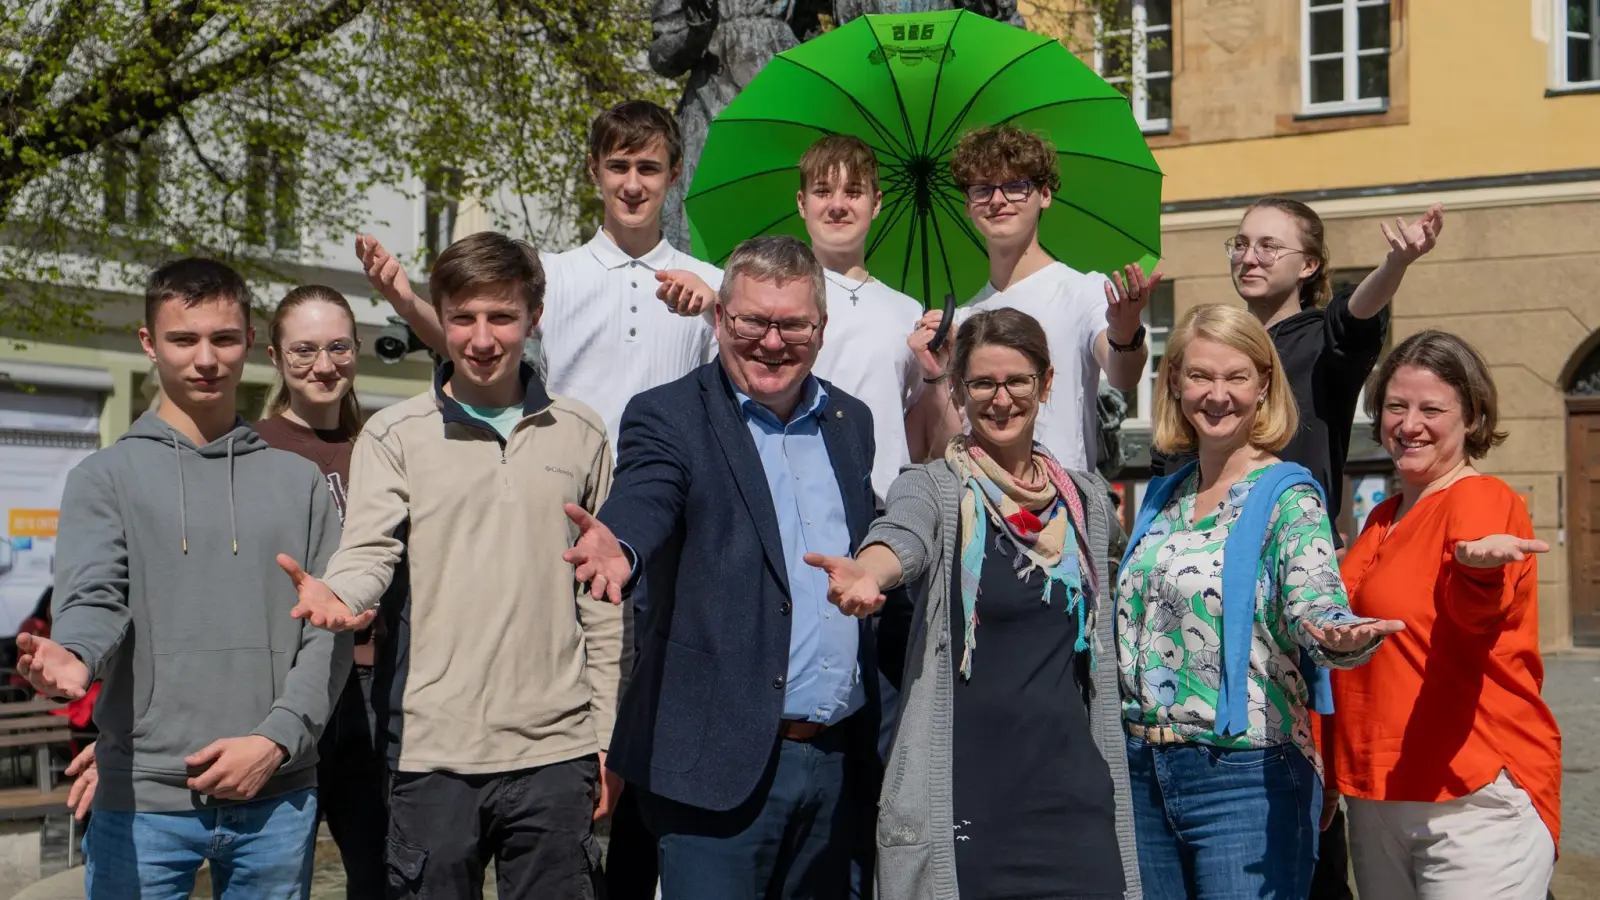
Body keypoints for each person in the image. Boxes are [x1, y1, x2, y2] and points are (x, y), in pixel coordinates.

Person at [276, 232, 624, 899]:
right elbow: (369, 549)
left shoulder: (583, 431)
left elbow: (602, 601)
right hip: (433, 753)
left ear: (533, 317)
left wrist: (606, 734)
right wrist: (342, 597)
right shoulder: (395, 432)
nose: (482, 337)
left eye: (501, 316)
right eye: (463, 317)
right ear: (440, 316)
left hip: (557, 751)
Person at [17, 258, 349, 898]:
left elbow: (328, 634)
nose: (206, 359)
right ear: (149, 343)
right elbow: (93, 600)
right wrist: (76, 654)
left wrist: (276, 742)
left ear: (251, 343)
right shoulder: (103, 477)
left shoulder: (298, 482)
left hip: (277, 798)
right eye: (183, 339)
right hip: (141, 801)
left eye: (224, 339)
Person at [564, 236, 882, 900]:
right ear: (719, 320)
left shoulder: (851, 422)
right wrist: (620, 545)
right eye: (751, 322)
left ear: (820, 329)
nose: (771, 341)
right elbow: (647, 494)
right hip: (715, 769)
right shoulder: (669, 415)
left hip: (834, 767)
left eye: (791, 323)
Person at [1151, 197, 1444, 898]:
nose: (1249, 256)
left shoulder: (1320, 342)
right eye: (1241, 243)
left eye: (1269, 246)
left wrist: (1397, 261)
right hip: (1205, 589)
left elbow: (1357, 316)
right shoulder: (1222, 351)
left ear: (1309, 264)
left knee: (1307, 792)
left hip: (1291, 586)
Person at [804, 308, 1140, 899]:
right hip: (966, 798)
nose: (1001, 399)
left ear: (1047, 383)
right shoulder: (933, 486)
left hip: (1075, 799)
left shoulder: (1086, 502)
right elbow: (903, 536)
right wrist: (870, 570)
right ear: (957, 390)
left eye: (1017, 381)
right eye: (982, 383)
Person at [1117, 304, 1403, 899]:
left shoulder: (1289, 494)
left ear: (1264, 385)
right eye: (1199, 376)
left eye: (1236, 377)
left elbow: (1314, 596)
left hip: (1245, 776)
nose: (1217, 395)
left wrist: (1337, 633)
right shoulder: (1164, 494)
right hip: (1141, 770)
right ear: (1174, 382)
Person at [1332, 331, 1562, 899]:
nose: (1410, 424)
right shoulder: (1382, 516)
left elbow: (1475, 615)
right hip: (1378, 791)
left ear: (1472, 416)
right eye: (1395, 406)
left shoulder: (1480, 500)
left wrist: (1479, 572)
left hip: (1472, 795)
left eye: (1432, 409)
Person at [657, 133, 926, 501]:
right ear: (802, 203)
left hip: (881, 505)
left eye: (853, 192)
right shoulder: (763, 291)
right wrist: (706, 301)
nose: (837, 205)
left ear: (876, 203)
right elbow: (729, 325)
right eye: (822, 191)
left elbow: (913, 423)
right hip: (784, 490)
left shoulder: (908, 311)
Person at [253, 285, 398, 899]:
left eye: (339, 347)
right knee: (279, 875)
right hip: (288, 684)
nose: (323, 364)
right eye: (304, 350)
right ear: (276, 357)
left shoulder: (383, 445)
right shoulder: (251, 447)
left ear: (357, 349)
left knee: (385, 873)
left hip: (377, 686)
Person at [911, 124, 1155, 473]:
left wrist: (1126, 330)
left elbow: (1123, 375)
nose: (997, 200)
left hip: (1060, 505)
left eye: (1014, 186)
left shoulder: (1082, 291)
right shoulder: (964, 318)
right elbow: (947, 447)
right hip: (983, 509)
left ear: (1044, 195)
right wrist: (936, 378)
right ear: (968, 204)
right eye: (983, 189)